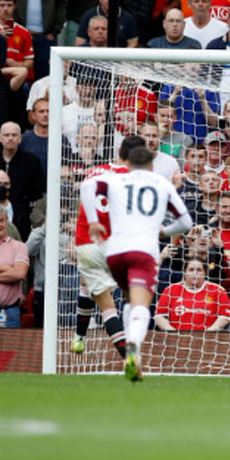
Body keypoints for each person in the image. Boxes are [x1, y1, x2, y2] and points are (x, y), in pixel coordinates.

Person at [79, 146, 193, 382]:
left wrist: (92, 221)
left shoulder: (115, 179)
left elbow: (88, 186)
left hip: (115, 252)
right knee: (141, 304)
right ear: (152, 166)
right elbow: (186, 222)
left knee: (129, 298)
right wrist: (165, 232)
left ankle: (131, 351)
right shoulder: (161, 183)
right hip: (144, 251)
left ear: (128, 164)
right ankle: (133, 346)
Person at [70, 135, 146, 358]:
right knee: (102, 298)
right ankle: (129, 357)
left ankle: (78, 338)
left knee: (102, 301)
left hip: (87, 241)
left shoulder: (96, 171)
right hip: (115, 246)